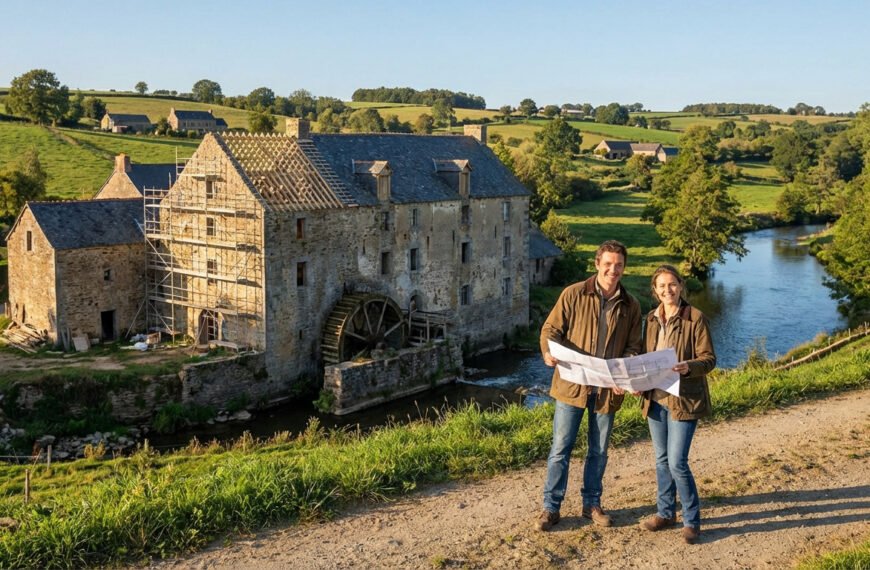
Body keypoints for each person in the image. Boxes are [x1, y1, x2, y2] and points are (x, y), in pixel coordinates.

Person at [536, 240, 642, 531]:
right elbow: (550, 330)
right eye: (607, 264)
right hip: (571, 386)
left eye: (618, 265)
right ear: (597, 264)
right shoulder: (573, 293)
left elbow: (634, 346)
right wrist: (547, 351)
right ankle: (551, 508)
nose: (613, 270)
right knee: (561, 447)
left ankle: (591, 504)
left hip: (607, 391)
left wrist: (624, 373)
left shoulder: (631, 305)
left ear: (624, 267)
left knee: (599, 450)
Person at [638, 264, 716, 544]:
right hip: (656, 399)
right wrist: (638, 383)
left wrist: (688, 367)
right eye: (661, 286)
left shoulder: (696, 318)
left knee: (677, 462)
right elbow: (645, 358)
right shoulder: (650, 318)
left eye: (672, 285)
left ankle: (692, 520)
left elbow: (709, 359)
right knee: (661, 460)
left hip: (684, 400)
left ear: (681, 286)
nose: (667, 290)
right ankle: (665, 512)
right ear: (655, 290)